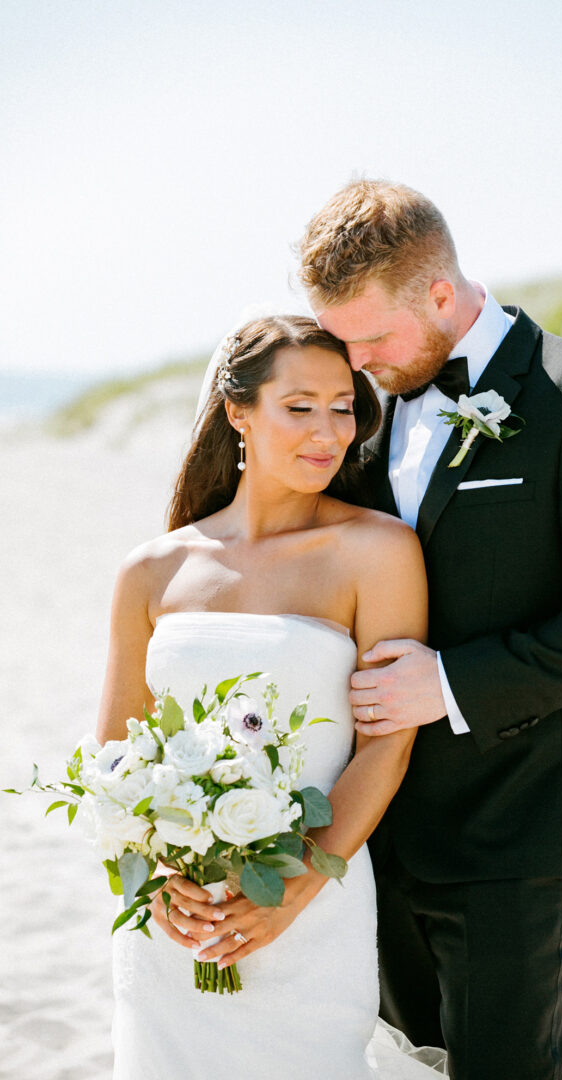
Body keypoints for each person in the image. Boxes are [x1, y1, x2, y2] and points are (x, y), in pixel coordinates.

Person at [296, 180, 562, 1079]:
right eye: (341, 339)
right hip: (371, 817)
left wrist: (452, 682)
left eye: (371, 337)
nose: (353, 362)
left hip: (518, 819)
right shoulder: (366, 402)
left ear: (439, 293)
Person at [101, 315, 445, 1077]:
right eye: (299, 407)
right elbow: (118, 757)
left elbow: (386, 742)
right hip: (171, 917)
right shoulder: (153, 570)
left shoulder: (378, 551)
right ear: (237, 413)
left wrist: (292, 891)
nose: (328, 432)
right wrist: (156, 877)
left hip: (314, 904)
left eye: (343, 406)